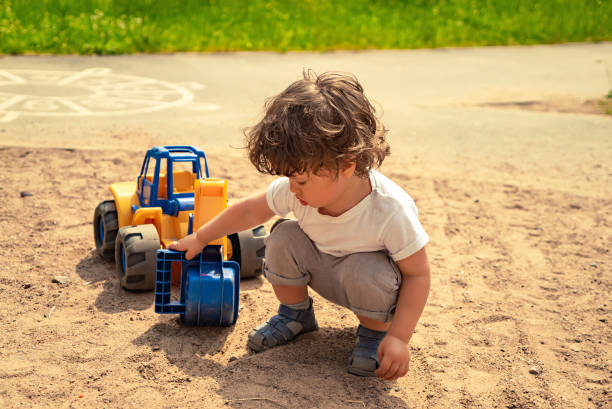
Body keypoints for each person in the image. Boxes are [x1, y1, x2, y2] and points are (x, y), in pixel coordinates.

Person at [169, 70, 430, 380]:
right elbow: (250, 211)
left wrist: (399, 337)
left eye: (301, 179)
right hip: (322, 268)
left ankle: (374, 334)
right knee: (283, 237)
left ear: (346, 165)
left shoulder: (388, 210)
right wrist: (200, 237)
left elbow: (418, 274)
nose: (293, 188)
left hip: (369, 286)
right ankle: (296, 314)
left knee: (365, 270)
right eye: (290, 178)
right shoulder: (299, 190)